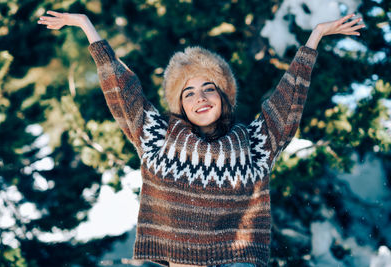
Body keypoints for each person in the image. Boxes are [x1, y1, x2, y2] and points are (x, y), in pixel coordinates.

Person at [38, 10, 365, 267]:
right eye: (189, 93)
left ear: (224, 96)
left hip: (239, 259)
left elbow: (289, 98)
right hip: (184, 258)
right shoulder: (158, 137)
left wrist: (316, 36)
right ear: (179, 105)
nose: (200, 97)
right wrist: (87, 28)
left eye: (209, 88)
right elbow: (122, 90)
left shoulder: (254, 142)